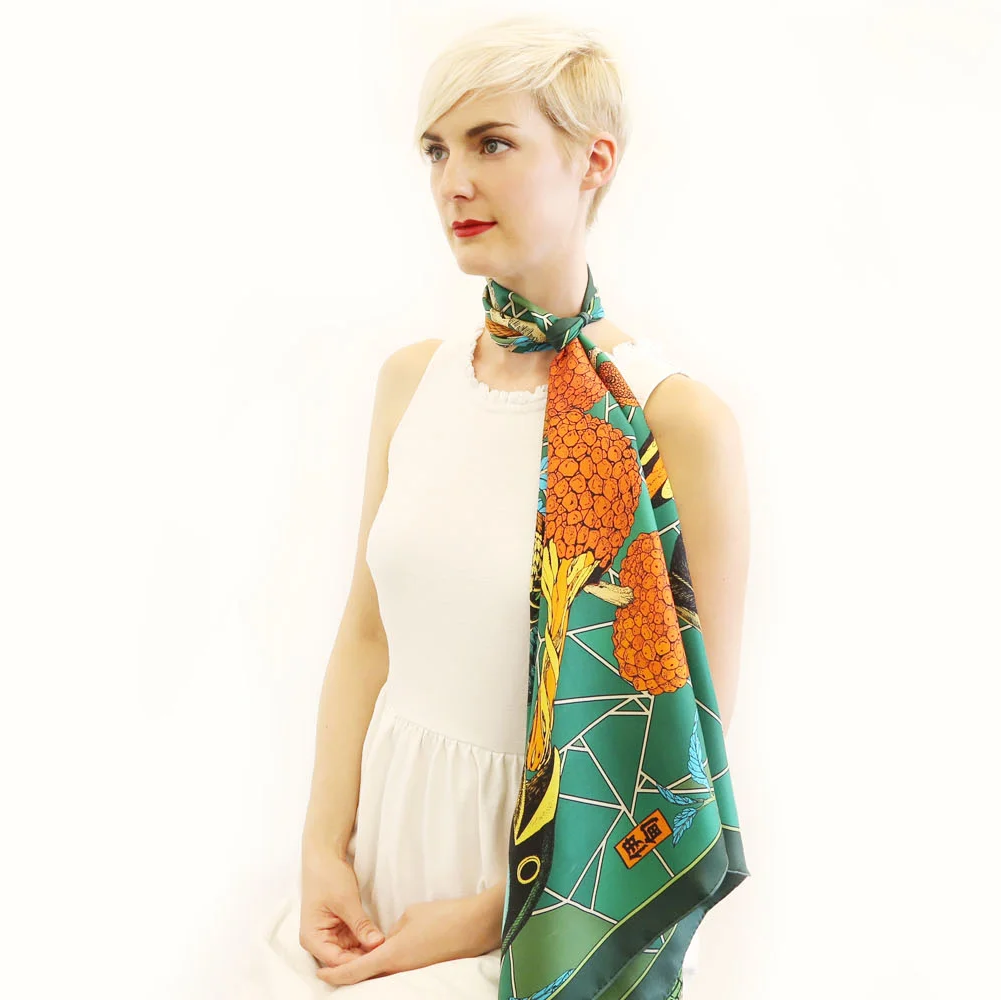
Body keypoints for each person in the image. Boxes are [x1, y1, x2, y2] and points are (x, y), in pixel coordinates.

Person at [238, 16, 750, 997]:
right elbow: (366, 637)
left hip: (554, 895)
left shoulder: (674, 421)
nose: (453, 183)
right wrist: (322, 850)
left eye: (492, 144)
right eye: (436, 149)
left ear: (594, 160)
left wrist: (489, 914)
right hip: (387, 855)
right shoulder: (412, 382)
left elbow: (686, 767)